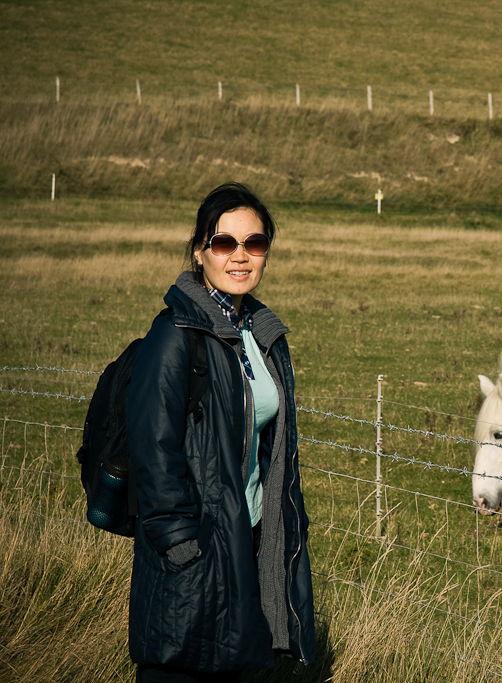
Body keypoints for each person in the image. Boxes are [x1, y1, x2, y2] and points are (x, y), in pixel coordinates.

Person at [125, 182, 316, 682]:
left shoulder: (262, 332)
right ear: (199, 251)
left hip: (248, 539)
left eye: (253, 244)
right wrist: (180, 543)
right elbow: (154, 447)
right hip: (194, 545)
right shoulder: (175, 335)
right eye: (223, 243)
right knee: (182, 670)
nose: (240, 256)